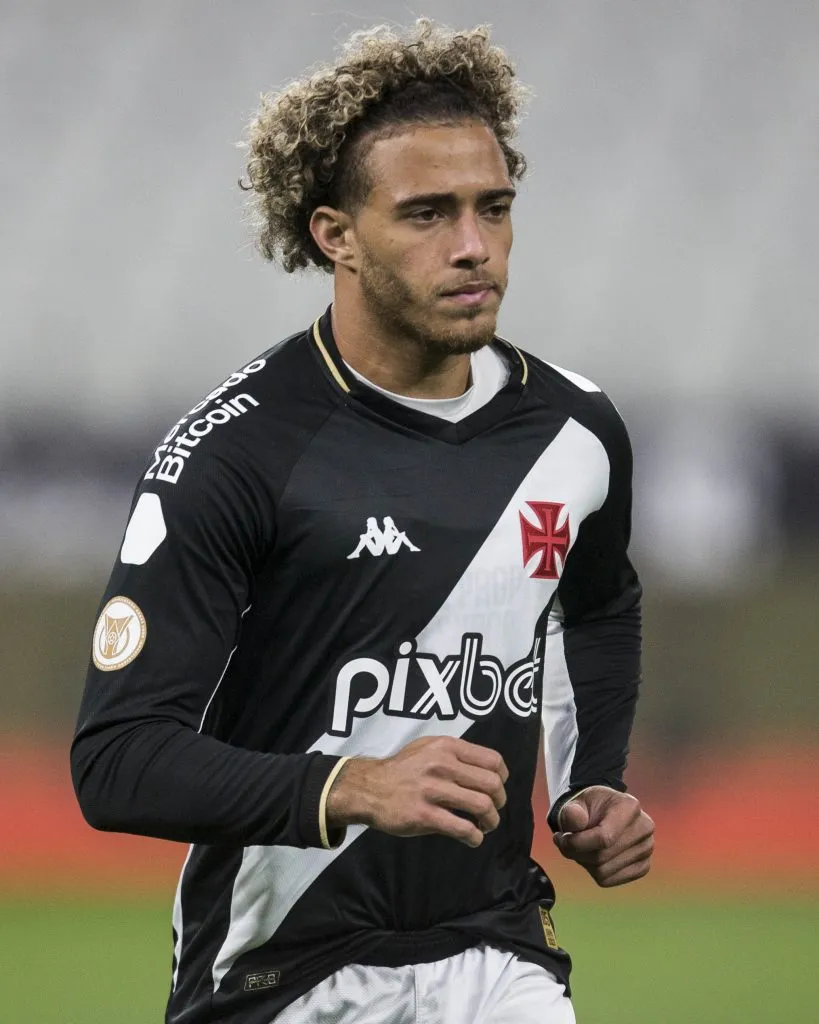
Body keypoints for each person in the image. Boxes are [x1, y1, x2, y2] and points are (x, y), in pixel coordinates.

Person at [71, 19, 654, 1024]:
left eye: (493, 207)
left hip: (500, 951)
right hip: (283, 974)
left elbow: (600, 607)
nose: (473, 246)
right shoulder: (234, 453)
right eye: (426, 213)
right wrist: (347, 785)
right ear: (333, 233)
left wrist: (587, 781)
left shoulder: (577, 431)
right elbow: (117, 761)